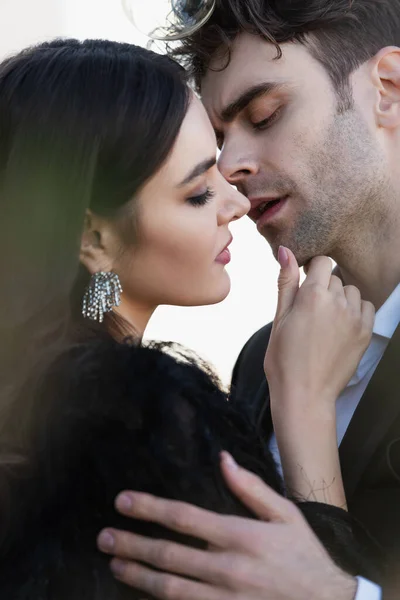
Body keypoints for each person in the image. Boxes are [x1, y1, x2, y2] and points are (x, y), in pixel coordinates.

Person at [0, 38, 376, 599]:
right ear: (94, 237)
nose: (238, 202)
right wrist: (305, 412)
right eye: (199, 193)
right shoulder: (137, 419)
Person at [99, 1, 400, 598]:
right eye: (218, 138)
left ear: (388, 89)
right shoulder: (259, 363)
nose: (230, 167)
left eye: (263, 115)